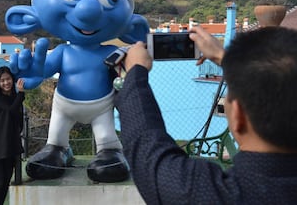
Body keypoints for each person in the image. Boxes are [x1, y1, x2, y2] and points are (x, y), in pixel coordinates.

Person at [114, 26, 297, 204]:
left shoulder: (204, 193)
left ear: (238, 115)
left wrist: (136, 70)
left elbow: (146, 146)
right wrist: (227, 60)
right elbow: (147, 148)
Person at [0, 66, 25, 205]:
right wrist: (21, 94)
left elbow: (17, 118)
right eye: (2, 80)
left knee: (6, 180)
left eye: (8, 79)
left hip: (8, 145)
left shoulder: (13, 97)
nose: (6, 83)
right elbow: (11, 111)